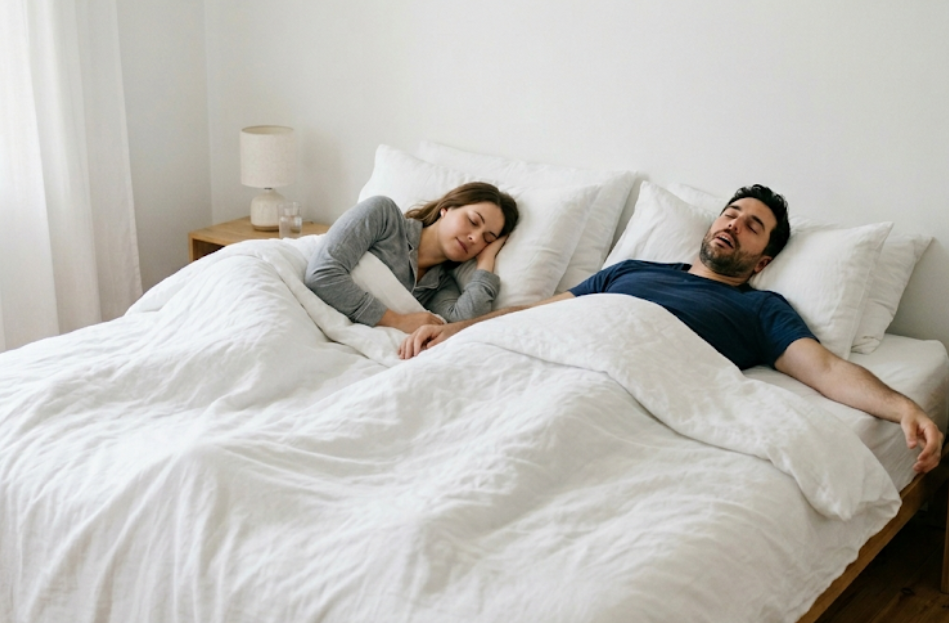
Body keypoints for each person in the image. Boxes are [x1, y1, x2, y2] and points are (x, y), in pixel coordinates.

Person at [400, 185, 944, 474]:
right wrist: (461, 330)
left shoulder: (762, 309)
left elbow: (824, 369)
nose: (734, 223)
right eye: (731, 213)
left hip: (619, 392)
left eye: (753, 226)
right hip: (544, 360)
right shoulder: (631, 270)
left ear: (760, 261)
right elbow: (546, 311)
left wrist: (903, 407)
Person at [306, 182, 520, 334]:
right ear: (447, 208)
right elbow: (322, 274)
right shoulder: (384, 217)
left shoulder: (441, 286)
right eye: (473, 221)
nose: (475, 237)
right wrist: (396, 321)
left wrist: (485, 263)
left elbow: (461, 324)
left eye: (487, 238)